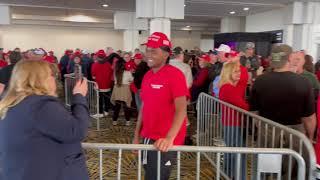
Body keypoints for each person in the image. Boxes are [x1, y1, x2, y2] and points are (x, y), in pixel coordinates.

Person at [0, 60, 90, 180]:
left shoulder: (11, 104)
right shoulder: (40, 105)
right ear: (40, 79)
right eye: (51, 75)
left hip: (23, 171)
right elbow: (76, 130)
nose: (54, 79)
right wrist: (79, 96)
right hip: (49, 172)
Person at [133, 32, 188, 180]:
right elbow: (144, 108)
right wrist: (136, 135)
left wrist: (169, 138)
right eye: (147, 50)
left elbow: (182, 109)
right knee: (149, 173)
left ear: (166, 54)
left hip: (165, 141)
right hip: (148, 136)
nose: (148, 54)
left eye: (154, 51)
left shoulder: (175, 75)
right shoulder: (147, 75)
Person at [250, 44, 316, 144]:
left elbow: (254, 111)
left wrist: (261, 126)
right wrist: (310, 137)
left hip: (267, 132)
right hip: (294, 134)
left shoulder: (260, 80)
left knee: (267, 159)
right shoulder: (303, 82)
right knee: (291, 159)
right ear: (289, 58)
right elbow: (309, 118)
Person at [219, 61, 248, 179]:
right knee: (236, 153)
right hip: (232, 124)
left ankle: (230, 175)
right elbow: (244, 107)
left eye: (239, 71)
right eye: (235, 71)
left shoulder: (230, 87)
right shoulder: (228, 88)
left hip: (232, 123)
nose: (239, 74)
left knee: (232, 152)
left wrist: (237, 62)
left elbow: (243, 80)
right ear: (228, 73)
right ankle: (236, 176)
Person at [111, 58, 133, 126]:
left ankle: (114, 121)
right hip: (125, 89)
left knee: (117, 106)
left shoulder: (115, 73)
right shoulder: (128, 72)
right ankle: (127, 121)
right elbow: (132, 80)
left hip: (117, 89)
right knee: (126, 106)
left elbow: (115, 80)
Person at [91, 50, 113, 118]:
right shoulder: (108, 64)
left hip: (99, 85)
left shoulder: (95, 64)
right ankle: (106, 111)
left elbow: (93, 76)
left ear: (98, 56)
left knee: (99, 99)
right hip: (107, 85)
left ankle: (100, 112)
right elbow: (111, 73)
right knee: (106, 99)